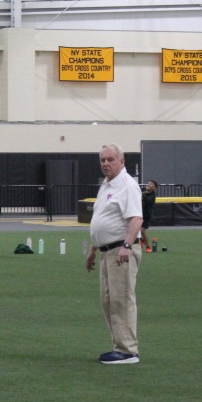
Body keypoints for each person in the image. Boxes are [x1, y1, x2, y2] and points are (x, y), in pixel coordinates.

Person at [85, 144, 143, 365]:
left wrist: (127, 245)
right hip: (107, 251)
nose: (105, 164)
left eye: (110, 159)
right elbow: (102, 219)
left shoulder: (127, 185)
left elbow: (136, 219)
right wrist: (93, 249)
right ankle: (119, 346)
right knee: (109, 301)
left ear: (122, 161)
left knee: (122, 300)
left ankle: (128, 351)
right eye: (102, 160)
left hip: (121, 250)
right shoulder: (107, 185)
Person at [140, 179, 158, 252]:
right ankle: (142, 240)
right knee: (134, 230)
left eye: (151, 184)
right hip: (139, 214)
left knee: (142, 230)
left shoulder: (153, 195)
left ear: (154, 188)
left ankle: (148, 246)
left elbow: (148, 201)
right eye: (148, 183)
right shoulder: (143, 191)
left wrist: (142, 195)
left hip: (146, 215)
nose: (148, 184)